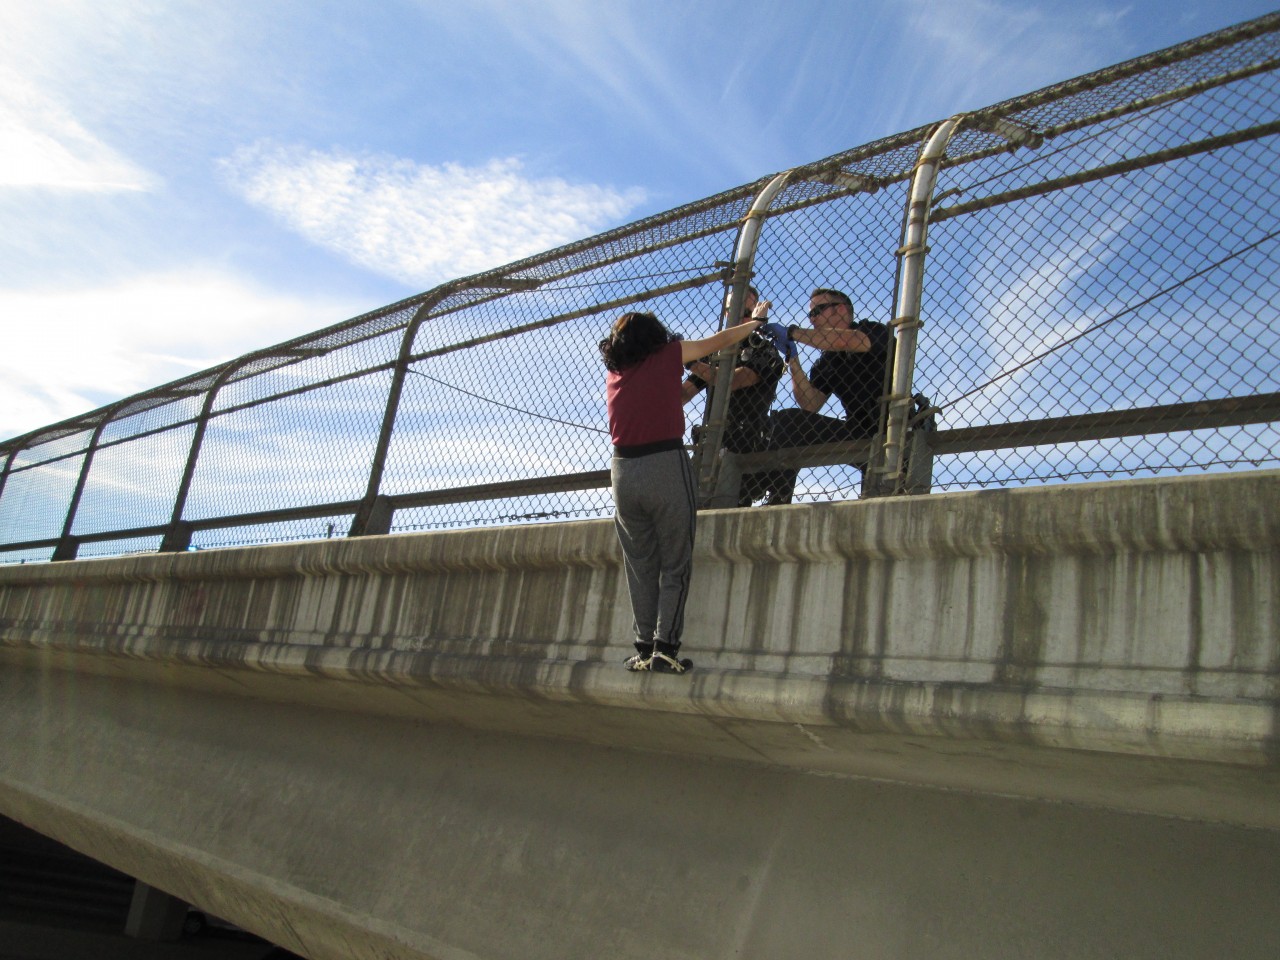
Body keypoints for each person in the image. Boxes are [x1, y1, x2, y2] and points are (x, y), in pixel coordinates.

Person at [599, 310, 765, 673]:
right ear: (656, 336)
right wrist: (754, 323)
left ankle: (642, 649)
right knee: (675, 561)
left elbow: (670, 396)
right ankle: (666, 649)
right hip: (664, 463)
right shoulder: (668, 353)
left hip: (623, 472)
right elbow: (718, 342)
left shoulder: (616, 373)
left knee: (640, 565)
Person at [760, 288, 893, 504]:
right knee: (787, 421)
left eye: (817, 312)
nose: (812, 320)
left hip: (893, 427)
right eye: (810, 315)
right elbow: (810, 404)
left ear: (840, 309)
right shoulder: (827, 361)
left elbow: (847, 341)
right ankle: (777, 499)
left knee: (881, 501)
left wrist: (792, 332)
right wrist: (792, 359)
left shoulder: (873, 331)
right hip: (857, 432)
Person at [681, 286, 784, 507]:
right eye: (733, 310)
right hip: (710, 442)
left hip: (745, 441)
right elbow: (682, 395)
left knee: (727, 507)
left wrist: (688, 360)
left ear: (756, 315)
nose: (739, 318)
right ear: (726, 313)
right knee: (691, 508)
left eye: (746, 314)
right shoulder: (715, 353)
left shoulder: (765, 349)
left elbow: (730, 381)